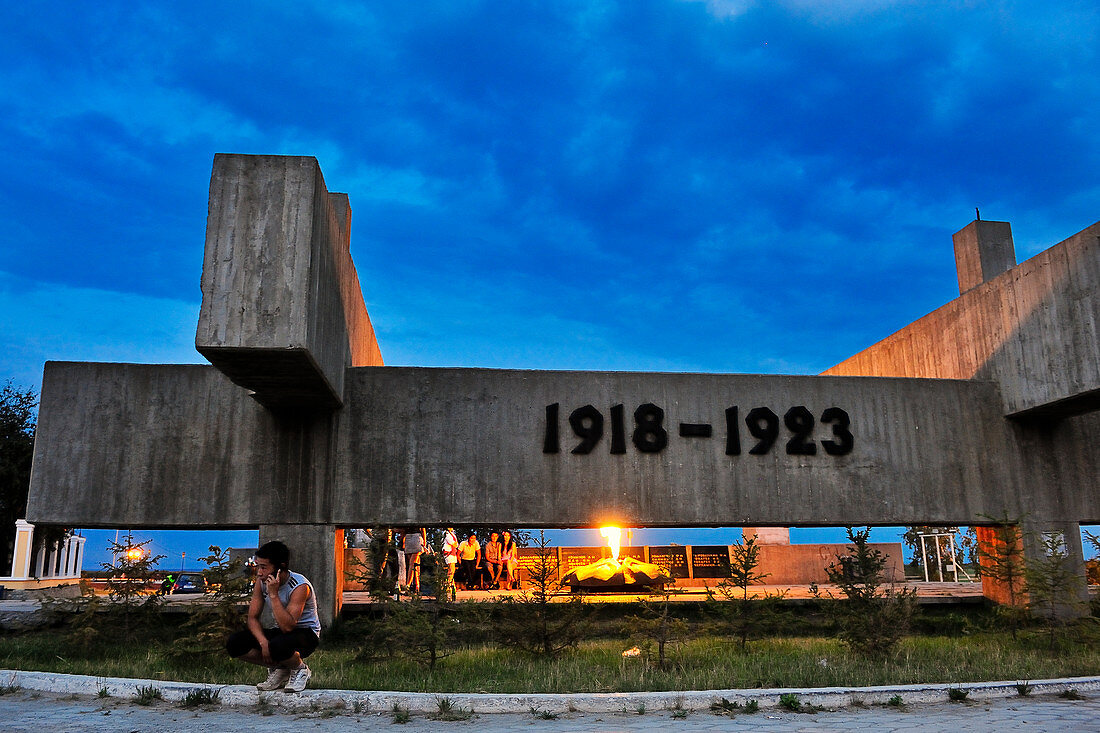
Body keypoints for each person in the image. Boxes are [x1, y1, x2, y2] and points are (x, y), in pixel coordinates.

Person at [225, 541, 320, 693]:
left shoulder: (300, 586)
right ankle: (282, 668)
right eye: (258, 566)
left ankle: (300, 669)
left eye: (263, 567)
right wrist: (263, 643)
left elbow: (288, 626)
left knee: (277, 645)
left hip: (306, 634)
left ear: (280, 567)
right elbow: (252, 618)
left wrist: (274, 595)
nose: (259, 572)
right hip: (281, 633)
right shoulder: (261, 583)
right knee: (235, 643)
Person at [403, 526, 427, 594]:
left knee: (412, 564)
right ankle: (417, 585)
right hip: (409, 538)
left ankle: (408, 585)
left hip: (415, 538)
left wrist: (424, 543)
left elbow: (423, 530)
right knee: (414, 565)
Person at [441, 527, 459, 601]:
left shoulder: (453, 533)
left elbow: (456, 544)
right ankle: (447, 585)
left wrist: (455, 544)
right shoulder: (446, 534)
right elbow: (452, 543)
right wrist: (454, 544)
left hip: (453, 553)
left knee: (452, 570)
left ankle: (450, 584)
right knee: (451, 570)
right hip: (449, 553)